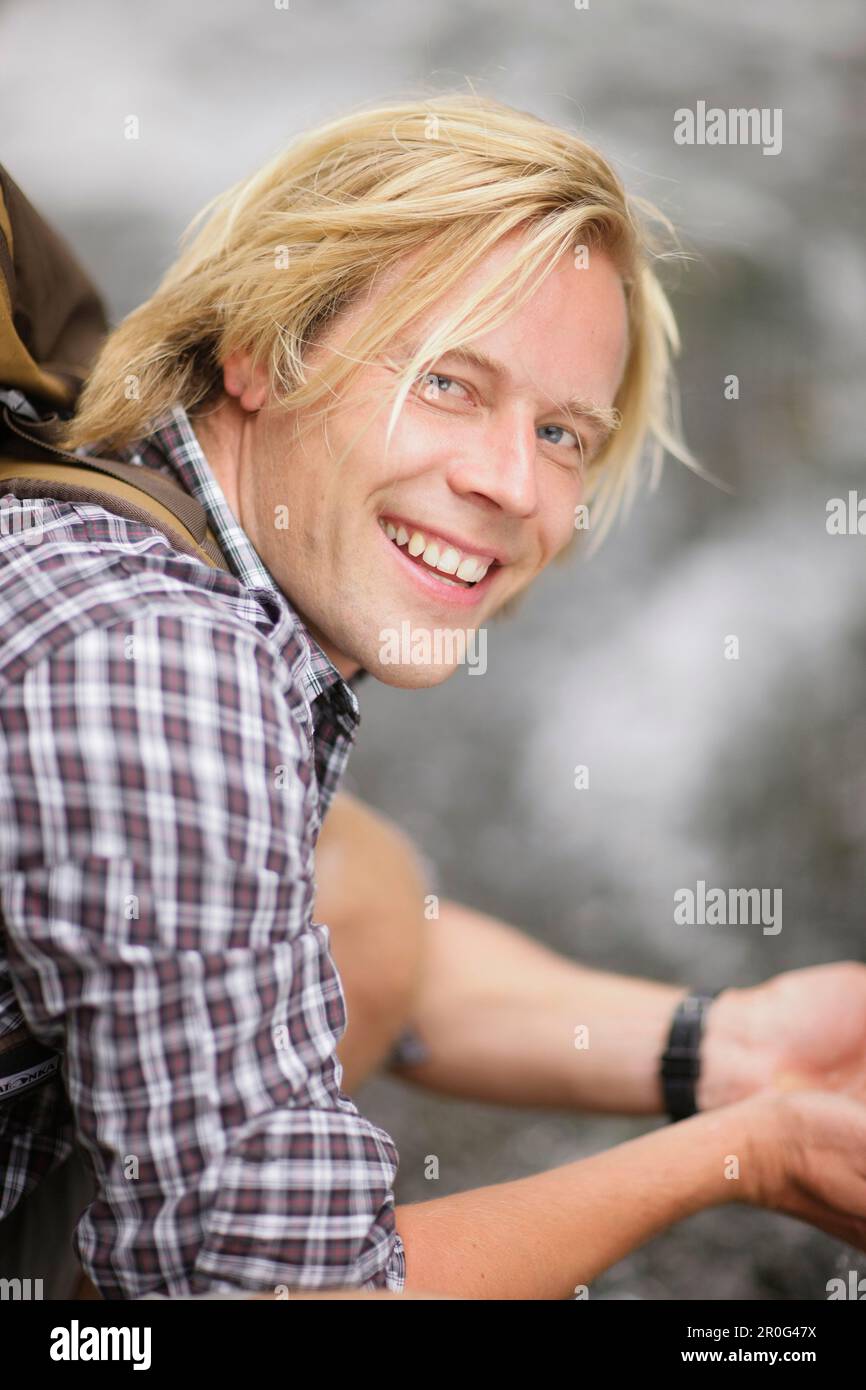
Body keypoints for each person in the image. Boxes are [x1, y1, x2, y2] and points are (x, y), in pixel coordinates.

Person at [1, 93, 865, 1301]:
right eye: (450, 383)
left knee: (360, 884)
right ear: (259, 348)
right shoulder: (160, 666)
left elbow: (309, 928)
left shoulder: (121, 491)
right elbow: (288, 1299)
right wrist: (739, 1155)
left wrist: (733, 1049)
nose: (512, 483)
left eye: (563, 432)